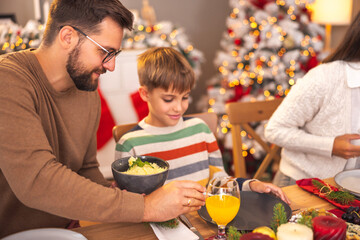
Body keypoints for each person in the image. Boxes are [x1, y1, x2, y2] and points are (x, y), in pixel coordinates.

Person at [0, 1, 206, 238]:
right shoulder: (8, 80)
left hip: (67, 231)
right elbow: (36, 181)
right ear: (68, 36)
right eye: (104, 51)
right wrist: (146, 207)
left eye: (115, 54)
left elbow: (85, 168)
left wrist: (120, 194)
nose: (111, 65)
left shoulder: (87, 90)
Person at [115, 47, 290, 204]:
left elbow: (219, 180)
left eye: (184, 97)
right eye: (168, 99)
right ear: (145, 94)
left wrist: (252, 185)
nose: (179, 107)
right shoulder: (130, 144)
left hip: (202, 223)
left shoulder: (200, 130)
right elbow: (131, 203)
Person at [264, 11, 360, 187]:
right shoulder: (325, 77)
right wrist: (330, 146)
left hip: (350, 188)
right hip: (304, 182)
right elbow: (275, 130)